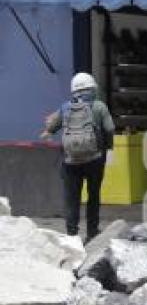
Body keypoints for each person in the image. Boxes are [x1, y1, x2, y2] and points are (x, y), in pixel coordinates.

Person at [41, 73, 115, 243]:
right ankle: (92, 232)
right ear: (93, 88)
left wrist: (48, 131)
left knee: (72, 198)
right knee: (93, 195)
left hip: (70, 161)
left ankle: (72, 234)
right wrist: (109, 146)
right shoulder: (99, 107)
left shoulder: (66, 107)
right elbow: (110, 128)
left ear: (74, 90)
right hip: (95, 159)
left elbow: (52, 126)